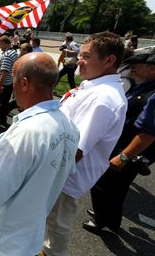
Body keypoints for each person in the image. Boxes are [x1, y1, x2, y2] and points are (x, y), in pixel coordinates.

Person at [0, 52, 80, 256]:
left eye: (14, 77)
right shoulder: (69, 125)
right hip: (32, 217)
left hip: (12, 233)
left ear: (25, 83)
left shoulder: (24, 133)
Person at [42, 31, 127, 256]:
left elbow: (77, 149)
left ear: (109, 61)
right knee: (47, 223)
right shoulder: (94, 86)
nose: (79, 60)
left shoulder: (104, 98)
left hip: (64, 176)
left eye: (86, 56)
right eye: (80, 54)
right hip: (58, 172)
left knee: (56, 228)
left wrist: (44, 172)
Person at [84, 46, 155, 234]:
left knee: (108, 186)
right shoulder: (145, 85)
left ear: (153, 68)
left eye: (136, 66)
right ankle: (107, 217)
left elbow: (148, 134)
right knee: (112, 186)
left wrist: (124, 156)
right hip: (122, 146)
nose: (131, 70)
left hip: (129, 152)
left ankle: (104, 222)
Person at [0, 35, 18, 128]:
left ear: (4, 43)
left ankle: (2, 120)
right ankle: (2, 119)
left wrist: (0, 85)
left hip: (5, 83)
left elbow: (4, 72)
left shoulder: (7, 55)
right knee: (4, 103)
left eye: (0, 44)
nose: (0, 46)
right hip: (9, 82)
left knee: (3, 103)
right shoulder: (14, 52)